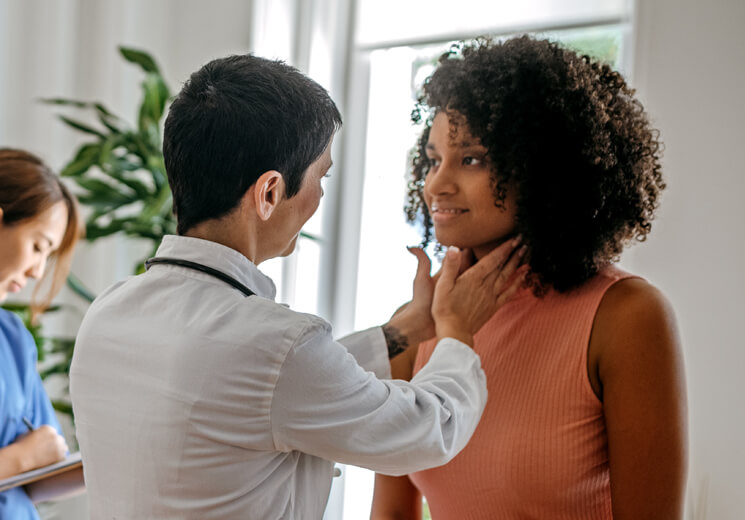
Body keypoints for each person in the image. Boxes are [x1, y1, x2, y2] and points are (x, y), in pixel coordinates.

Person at [69, 54, 527, 519]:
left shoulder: (107, 313)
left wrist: (401, 332)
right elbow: (430, 430)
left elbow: (256, 387)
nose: (321, 195)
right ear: (269, 193)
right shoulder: (272, 344)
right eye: (320, 176)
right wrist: (455, 331)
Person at [371, 36, 688, 520]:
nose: (436, 184)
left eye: (471, 158)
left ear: (542, 169)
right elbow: (391, 514)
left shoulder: (627, 317)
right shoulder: (416, 329)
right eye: (434, 160)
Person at [0, 148, 84, 519]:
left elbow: (43, 467)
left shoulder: (13, 339)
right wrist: (21, 457)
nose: (37, 272)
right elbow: (28, 458)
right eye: (38, 247)